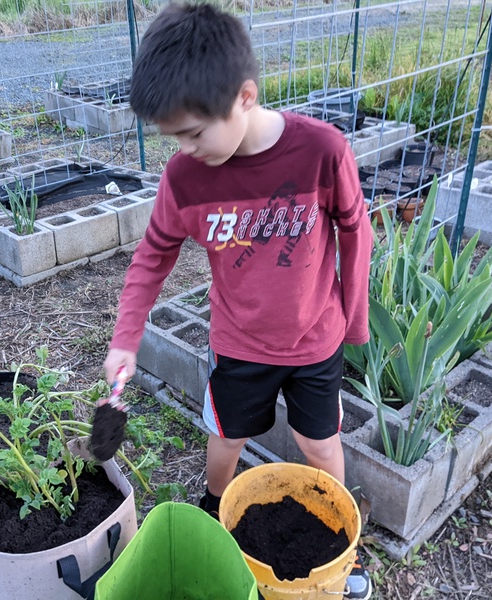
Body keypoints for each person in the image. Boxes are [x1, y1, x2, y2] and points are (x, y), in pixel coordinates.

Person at [103, 4, 372, 599]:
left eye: (194, 133)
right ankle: (211, 505)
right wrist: (126, 338)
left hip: (314, 341)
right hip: (239, 344)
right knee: (225, 438)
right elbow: (153, 255)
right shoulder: (185, 179)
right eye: (174, 137)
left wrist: (353, 322)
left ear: (245, 96)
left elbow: (356, 233)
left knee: (319, 445)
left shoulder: (321, 152)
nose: (185, 148)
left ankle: (344, 549)